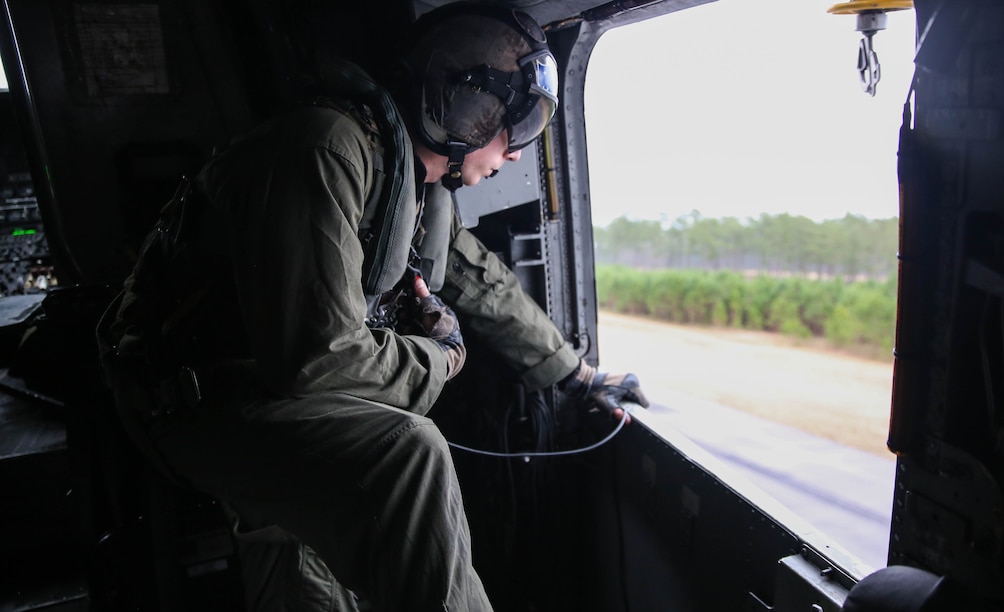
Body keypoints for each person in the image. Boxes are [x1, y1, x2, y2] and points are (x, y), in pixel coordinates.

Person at [98, 2, 649, 611]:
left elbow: (484, 287)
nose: (516, 151)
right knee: (405, 455)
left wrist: (579, 375)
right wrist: (439, 357)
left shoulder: (415, 188)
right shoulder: (324, 148)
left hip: (272, 394)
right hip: (192, 400)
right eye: (511, 126)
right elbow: (315, 361)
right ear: (464, 105)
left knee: (322, 534)